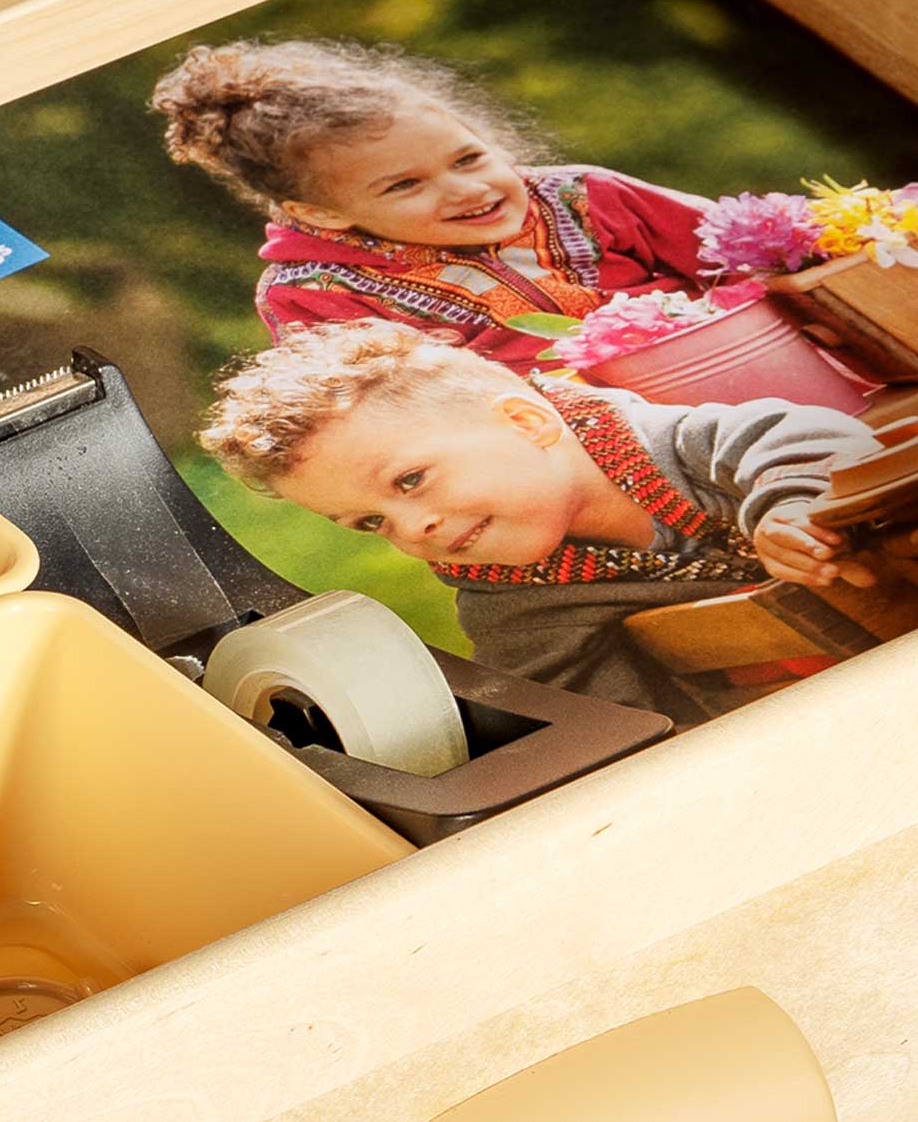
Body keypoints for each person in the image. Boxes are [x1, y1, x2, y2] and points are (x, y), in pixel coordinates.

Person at [197, 319, 876, 722]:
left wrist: (790, 506)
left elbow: (799, 436)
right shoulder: (515, 609)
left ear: (525, 421)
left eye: (410, 480)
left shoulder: (671, 443)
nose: (412, 529)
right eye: (370, 523)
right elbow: (611, 728)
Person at [155, 39, 716, 370]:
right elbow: (393, 416)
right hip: (574, 447)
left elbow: (741, 251)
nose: (467, 190)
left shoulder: (584, 196)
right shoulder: (313, 294)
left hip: (722, 362)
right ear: (318, 212)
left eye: (468, 158)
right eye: (405, 186)